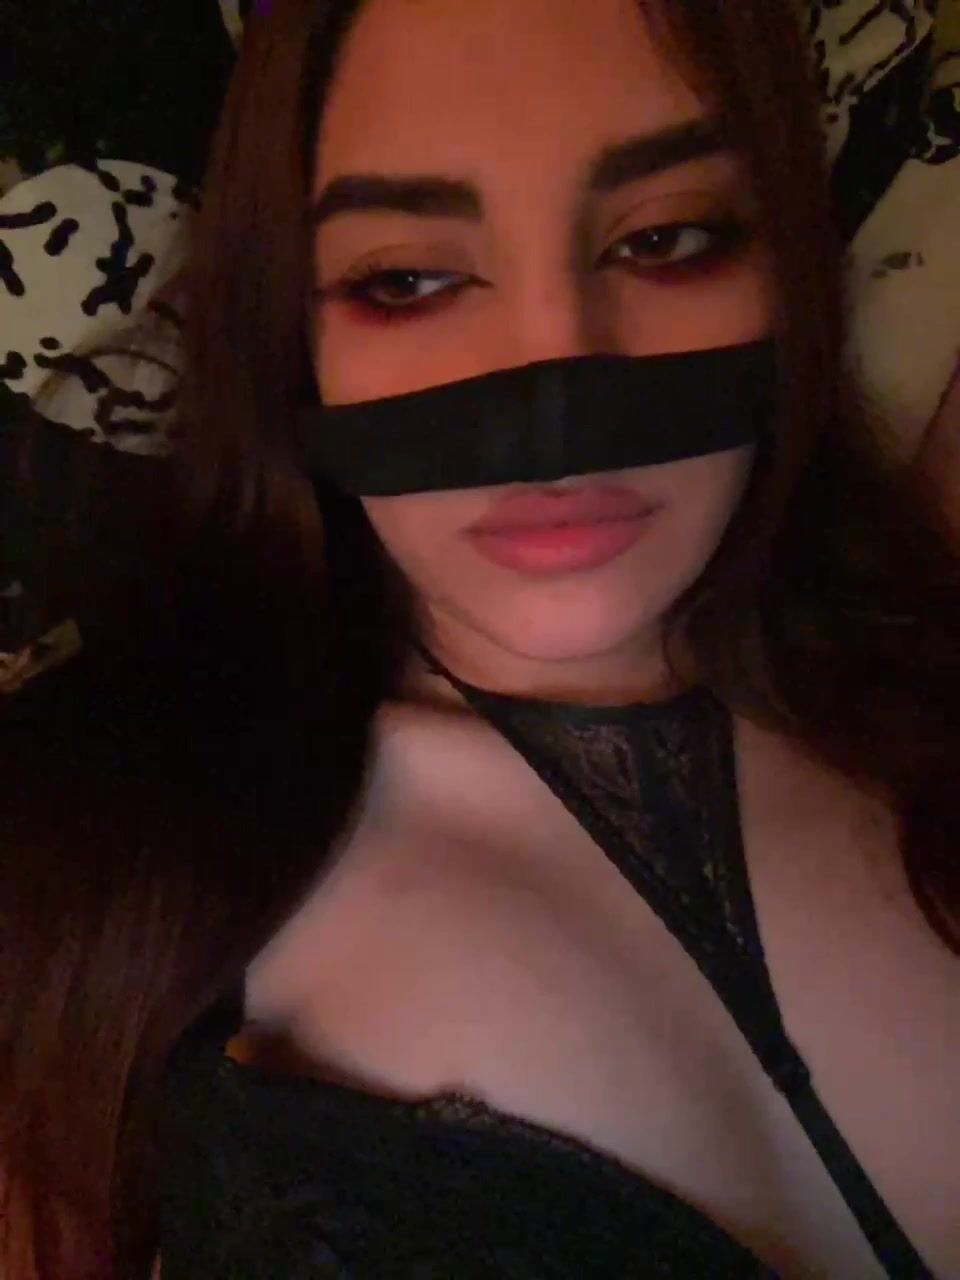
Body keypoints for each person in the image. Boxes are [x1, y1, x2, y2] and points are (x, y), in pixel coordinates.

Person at [1, 0, 958, 1276]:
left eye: (667, 238)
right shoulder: (90, 860)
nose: (556, 381)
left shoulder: (930, 686)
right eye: (407, 279)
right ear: (295, 337)